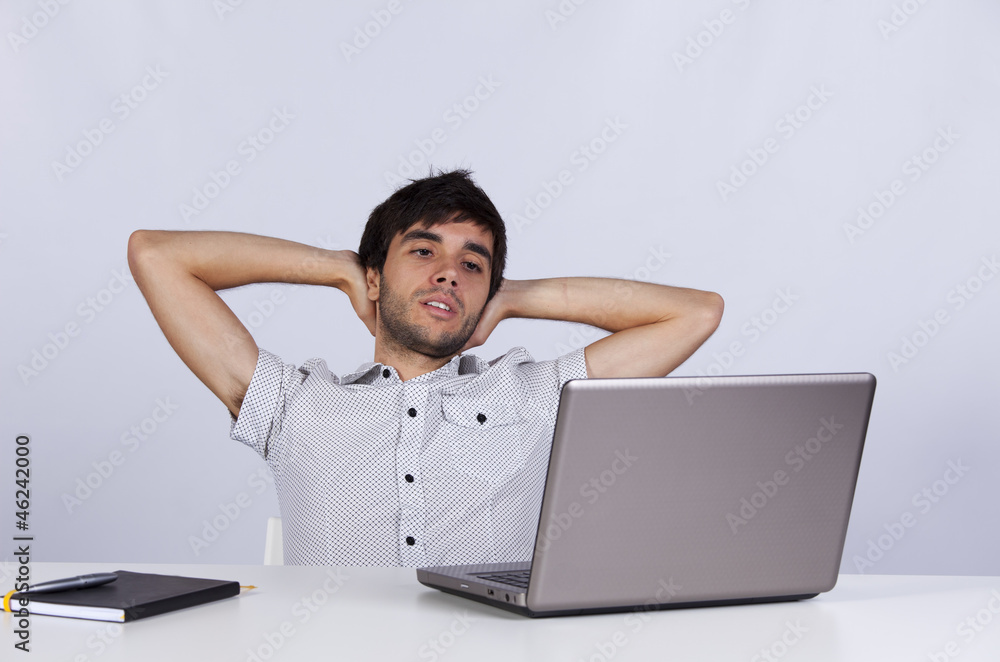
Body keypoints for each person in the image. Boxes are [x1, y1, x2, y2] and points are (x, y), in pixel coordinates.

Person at [127, 169, 723, 566]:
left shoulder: (536, 397)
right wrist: (336, 268)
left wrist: (515, 297)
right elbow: (156, 255)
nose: (447, 273)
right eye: (422, 251)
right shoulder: (294, 404)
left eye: (473, 265)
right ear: (375, 276)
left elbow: (695, 313)